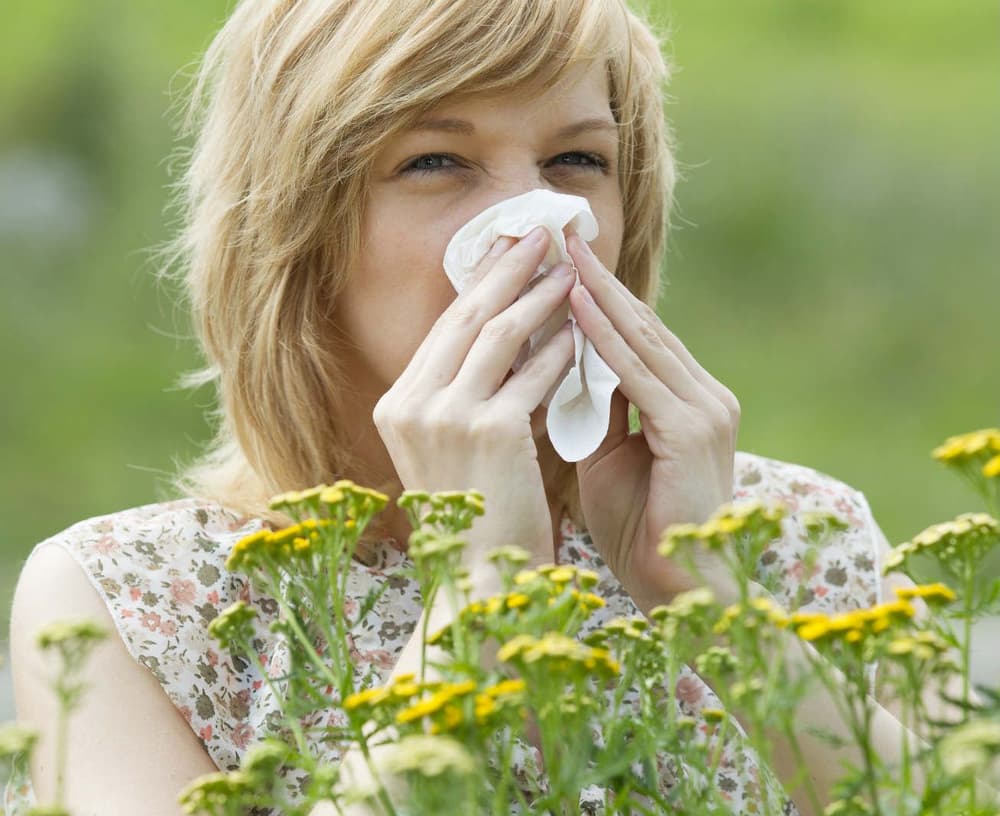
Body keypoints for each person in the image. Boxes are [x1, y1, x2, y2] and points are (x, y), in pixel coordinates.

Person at [7, 0, 931, 813]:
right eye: (436, 160)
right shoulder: (131, 603)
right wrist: (478, 592)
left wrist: (706, 591)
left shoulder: (802, 545)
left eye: (576, 159)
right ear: (296, 228)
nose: (537, 222)